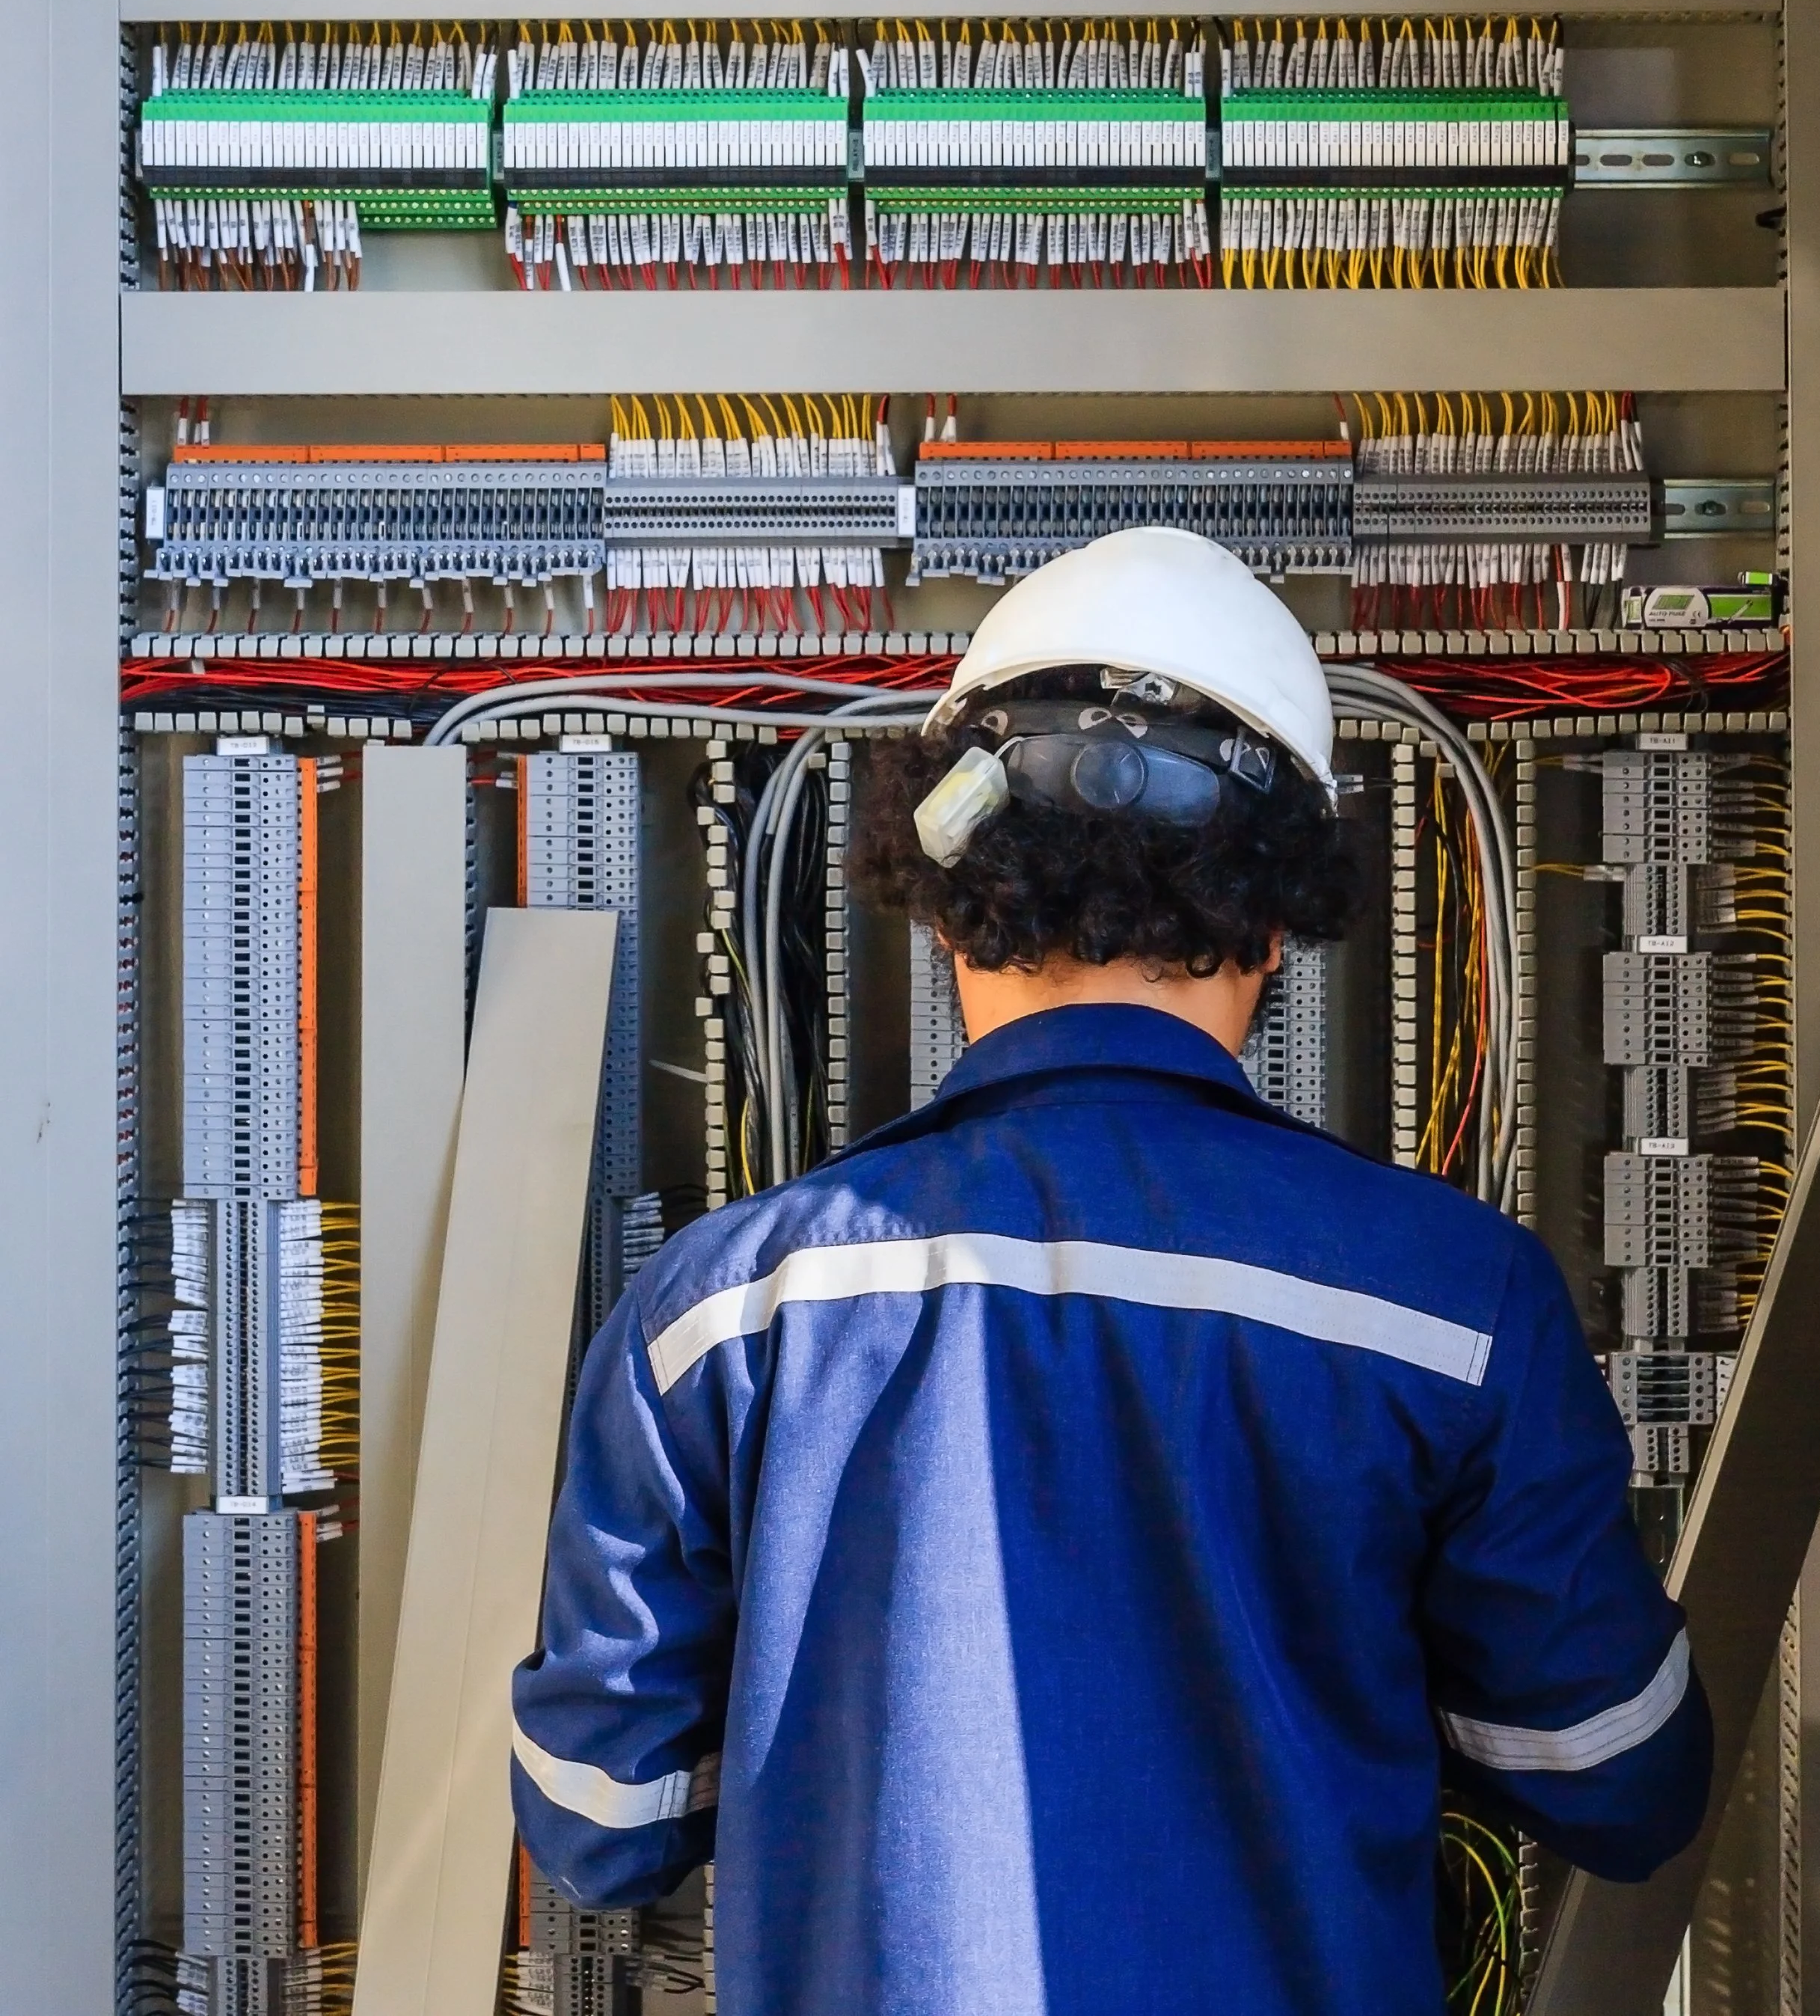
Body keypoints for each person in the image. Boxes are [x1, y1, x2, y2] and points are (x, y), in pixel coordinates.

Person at [512, 526, 1711, 2016]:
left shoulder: (720, 1317)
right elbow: (1620, 1781)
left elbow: (599, 1825)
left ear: (945, 892)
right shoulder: (1450, 1308)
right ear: (1276, 922)